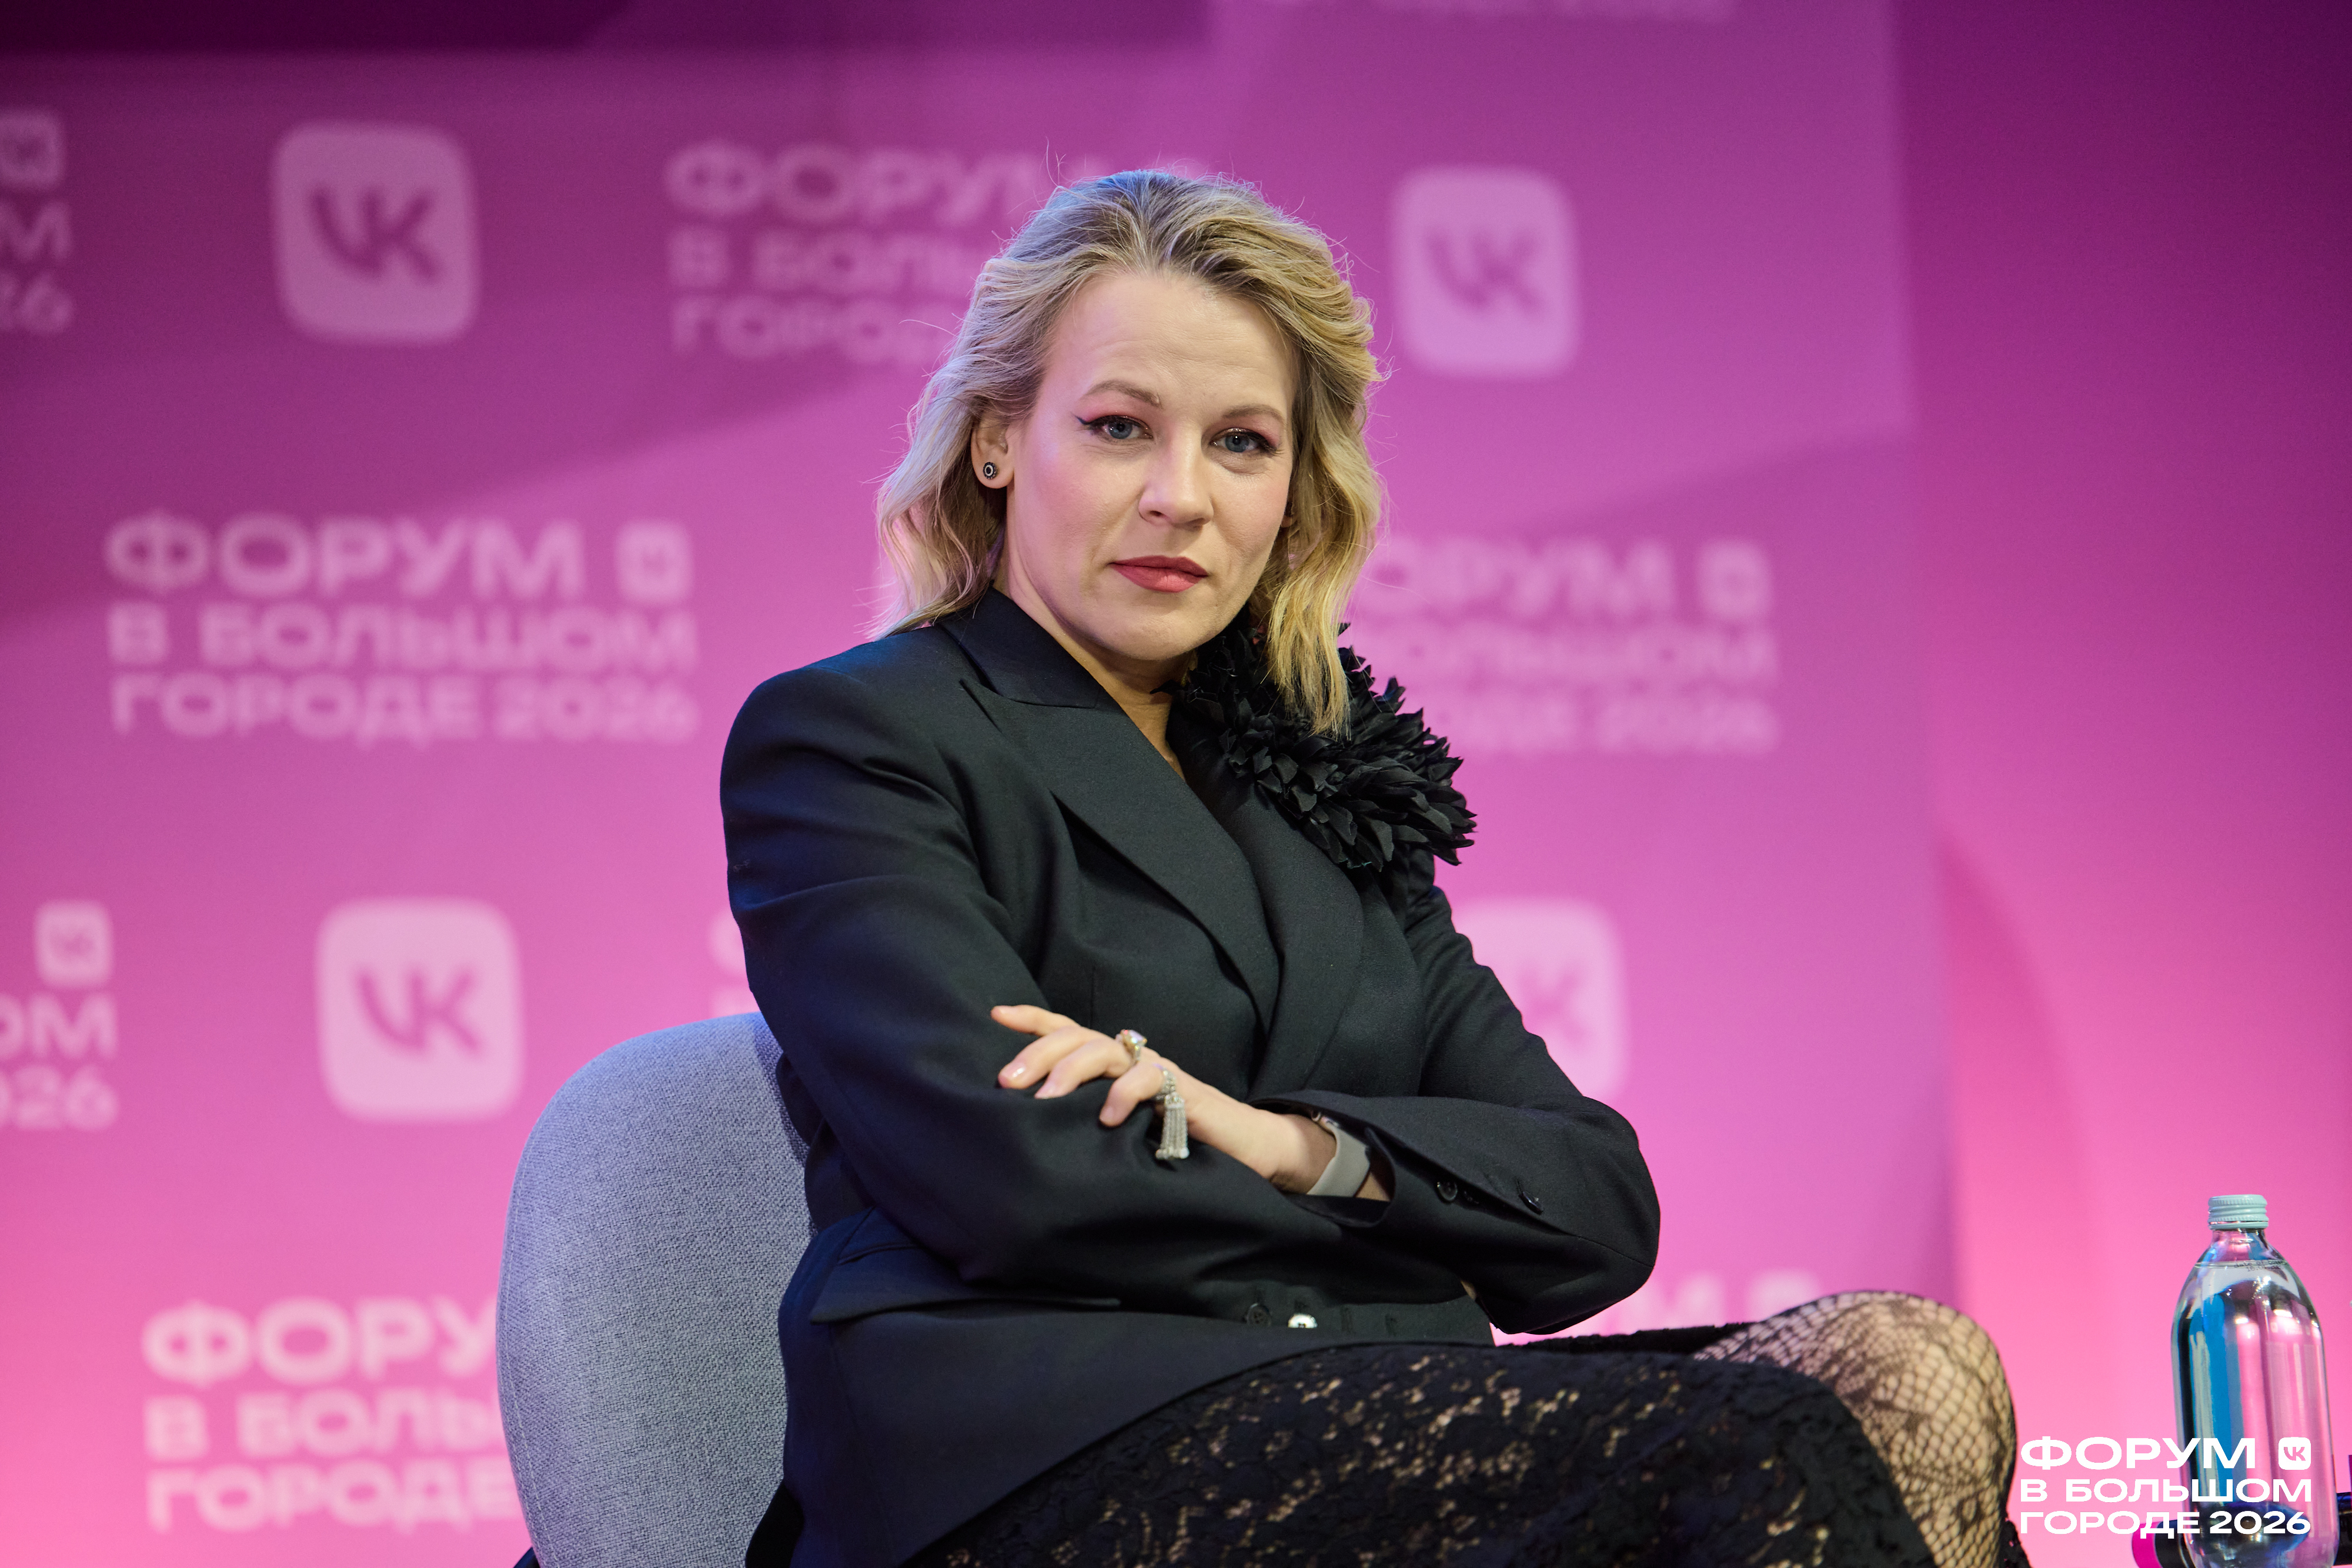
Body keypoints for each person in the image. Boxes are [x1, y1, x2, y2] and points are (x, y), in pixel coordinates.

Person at [723, 170, 2027, 1568]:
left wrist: (1272, 1136)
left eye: (1240, 443)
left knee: (1914, 1367)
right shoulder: (858, 733)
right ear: (995, 440)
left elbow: (1593, 1201)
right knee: (1755, 1447)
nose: (1178, 496)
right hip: (1033, 1445)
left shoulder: (1317, 770)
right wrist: (1410, 1209)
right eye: (1117, 427)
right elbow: (1016, 1178)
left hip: (1357, 1387)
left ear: (1294, 487)